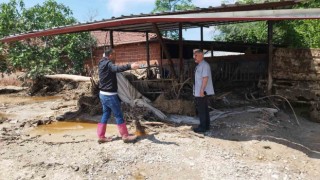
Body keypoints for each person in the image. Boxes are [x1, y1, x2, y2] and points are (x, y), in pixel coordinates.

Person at [97, 48, 140, 143]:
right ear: (110, 55)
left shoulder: (101, 63)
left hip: (102, 94)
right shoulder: (108, 64)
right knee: (119, 115)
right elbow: (116, 69)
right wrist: (130, 66)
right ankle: (125, 136)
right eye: (115, 55)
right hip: (110, 95)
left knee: (106, 114)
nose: (115, 57)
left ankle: (101, 136)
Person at [193, 49, 215, 133]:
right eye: (194, 55)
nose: (194, 57)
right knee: (204, 109)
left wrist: (202, 90)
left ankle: (202, 127)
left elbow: (205, 78)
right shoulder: (199, 65)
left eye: (196, 55)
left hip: (202, 92)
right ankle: (206, 126)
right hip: (200, 91)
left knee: (202, 109)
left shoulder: (204, 65)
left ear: (202, 55)